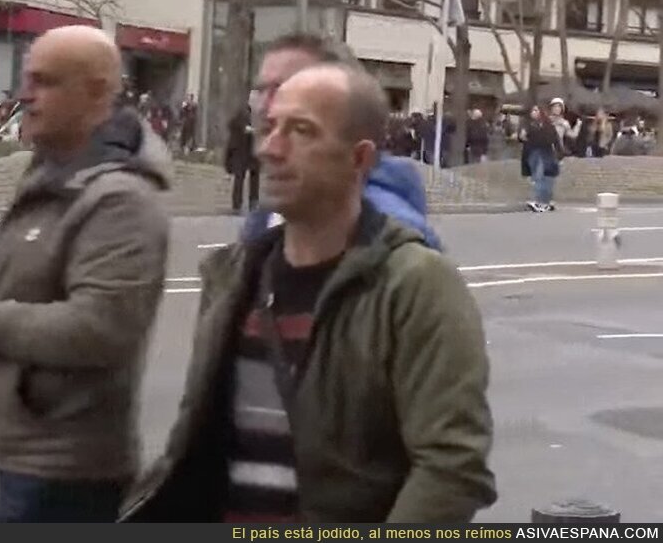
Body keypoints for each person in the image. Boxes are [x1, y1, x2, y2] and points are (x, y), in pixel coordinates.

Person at [122, 63, 496, 523]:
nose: (271, 149)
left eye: (300, 131)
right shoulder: (233, 275)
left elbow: (452, 469)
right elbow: (196, 445)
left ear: (359, 159)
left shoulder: (417, 285)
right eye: (270, 127)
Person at [0, 25, 170, 523]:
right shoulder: (54, 172)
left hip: (65, 475)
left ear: (98, 91)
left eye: (45, 81)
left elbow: (99, 327)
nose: (25, 94)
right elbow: (41, 277)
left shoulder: (119, 198)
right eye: (26, 78)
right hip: (29, 465)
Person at [240, 33, 441, 251]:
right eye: (261, 90)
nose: (265, 107)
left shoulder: (389, 244)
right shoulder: (272, 213)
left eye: (286, 90)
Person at [519, 105, 564, 212]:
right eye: (532, 111)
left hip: (545, 153)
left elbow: (555, 139)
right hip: (533, 153)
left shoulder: (547, 125)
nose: (533, 113)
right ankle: (542, 201)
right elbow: (522, 138)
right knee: (537, 177)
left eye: (536, 110)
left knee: (544, 178)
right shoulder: (528, 125)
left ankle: (543, 201)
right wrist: (521, 136)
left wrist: (560, 154)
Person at [225, 103, 260, 213]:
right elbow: (240, 128)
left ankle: (250, 202)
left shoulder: (258, 115)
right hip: (243, 151)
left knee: (251, 177)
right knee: (241, 177)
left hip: (251, 151)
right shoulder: (241, 115)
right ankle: (239, 204)